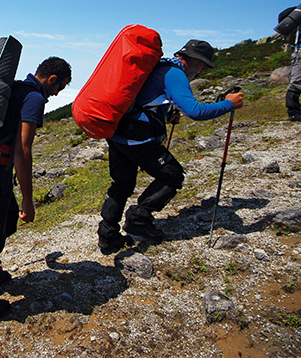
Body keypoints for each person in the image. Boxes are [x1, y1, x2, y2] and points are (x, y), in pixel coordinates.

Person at [97, 40, 243, 254]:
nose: (202, 69)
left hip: (117, 132)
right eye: (203, 65)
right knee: (172, 175)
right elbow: (195, 111)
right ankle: (139, 218)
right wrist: (229, 103)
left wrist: (165, 116)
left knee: (121, 185)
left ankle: (107, 235)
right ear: (195, 60)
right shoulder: (175, 73)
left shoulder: (159, 67)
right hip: (137, 137)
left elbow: (145, 100)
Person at [0, 56, 71, 323]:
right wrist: (29, 201)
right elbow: (23, 151)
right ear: (51, 79)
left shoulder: (19, 88)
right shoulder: (33, 99)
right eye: (60, 88)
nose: (57, 94)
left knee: (7, 220)